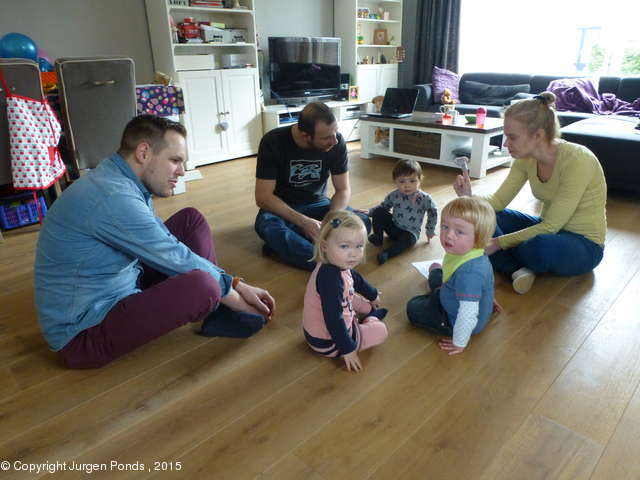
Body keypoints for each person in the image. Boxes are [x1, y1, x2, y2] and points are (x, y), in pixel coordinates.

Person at [34, 115, 275, 369]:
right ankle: (220, 305)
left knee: (190, 220)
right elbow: (171, 254)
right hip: (82, 336)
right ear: (143, 153)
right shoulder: (114, 196)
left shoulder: (117, 176)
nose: (182, 171)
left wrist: (233, 283)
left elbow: (163, 241)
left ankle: (216, 306)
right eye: (175, 160)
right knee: (203, 285)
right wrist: (237, 298)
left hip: (122, 281)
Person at [454, 92, 607, 294]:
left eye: (512, 137)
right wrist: (469, 197)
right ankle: (517, 270)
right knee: (485, 214)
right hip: (546, 228)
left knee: (538, 247)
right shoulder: (524, 159)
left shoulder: (578, 160)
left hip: (584, 244)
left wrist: (498, 242)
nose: (506, 144)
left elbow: (551, 227)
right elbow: (498, 201)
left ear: (538, 135)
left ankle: (503, 260)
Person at [254, 102, 371, 271]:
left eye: (335, 132)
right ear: (305, 135)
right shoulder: (273, 141)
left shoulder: (336, 142)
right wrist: (303, 222)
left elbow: (343, 189)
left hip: (318, 204)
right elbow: (263, 197)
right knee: (269, 227)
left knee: (362, 221)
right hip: (283, 208)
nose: (334, 140)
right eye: (326, 138)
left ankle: (302, 248)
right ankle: (330, 260)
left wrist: (332, 219)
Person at [406, 197, 496, 355]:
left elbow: (467, 314)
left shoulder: (469, 273)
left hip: (453, 318)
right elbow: (485, 284)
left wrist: (459, 342)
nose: (448, 235)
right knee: (439, 276)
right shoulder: (475, 253)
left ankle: (434, 293)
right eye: (445, 227)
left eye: (459, 231)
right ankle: (436, 283)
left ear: (479, 237)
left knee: (412, 307)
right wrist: (487, 299)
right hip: (452, 291)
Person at [303, 210, 388, 372]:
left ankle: (369, 311)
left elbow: (355, 278)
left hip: (319, 332)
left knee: (358, 300)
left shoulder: (335, 263)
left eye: (359, 246)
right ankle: (371, 319)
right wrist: (348, 349)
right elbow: (333, 319)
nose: (353, 253)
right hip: (328, 343)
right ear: (324, 246)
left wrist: (372, 294)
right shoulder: (331, 279)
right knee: (381, 331)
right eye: (344, 246)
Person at [367, 159, 438, 265]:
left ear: (420, 180)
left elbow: (433, 212)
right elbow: (384, 207)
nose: (407, 185)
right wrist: (370, 212)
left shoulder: (424, 198)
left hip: (410, 233)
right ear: (395, 181)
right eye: (402, 181)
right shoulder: (394, 195)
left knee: (405, 241)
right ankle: (378, 237)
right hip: (394, 227)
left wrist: (430, 230)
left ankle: (387, 253)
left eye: (412, 181)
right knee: (379, 211)